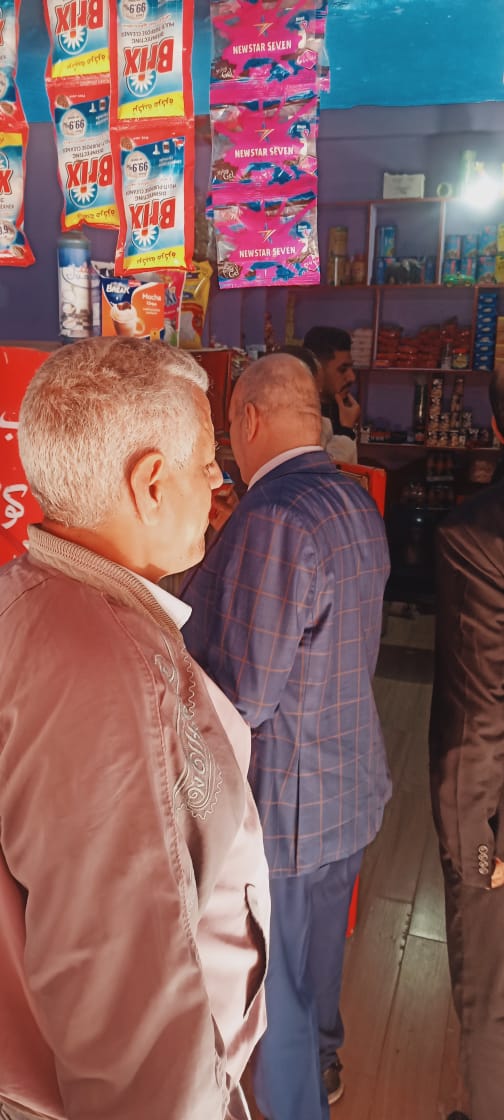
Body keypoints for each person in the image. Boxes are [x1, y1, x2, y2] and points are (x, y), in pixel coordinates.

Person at [0, 337, 270, 1120]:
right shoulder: (106, 673)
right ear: (152, 485)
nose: (218, 481)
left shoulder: (30, 593)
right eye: (207, 461)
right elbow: (131, 1022)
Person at [181, 353, 392, 1120]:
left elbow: (243, 693)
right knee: (317, 966)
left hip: (288, 808)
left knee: (278, 997)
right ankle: (325, 1065)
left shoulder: (272, 519)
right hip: (347, 785)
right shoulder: (348, 497)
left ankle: (297, 1103)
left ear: (247, 419)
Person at [429, 365, 504, 1120]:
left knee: (490, 1001)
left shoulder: (477, 537)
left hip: (496, 819)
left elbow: (476, 715)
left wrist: (474, 851)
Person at [304, 325, 360, 463]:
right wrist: (346, 431)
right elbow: (320, 471)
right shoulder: (302, 419)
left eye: (351, 368)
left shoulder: (339, 411)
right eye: (342, 369)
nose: (352, 377)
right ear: (317, 370)